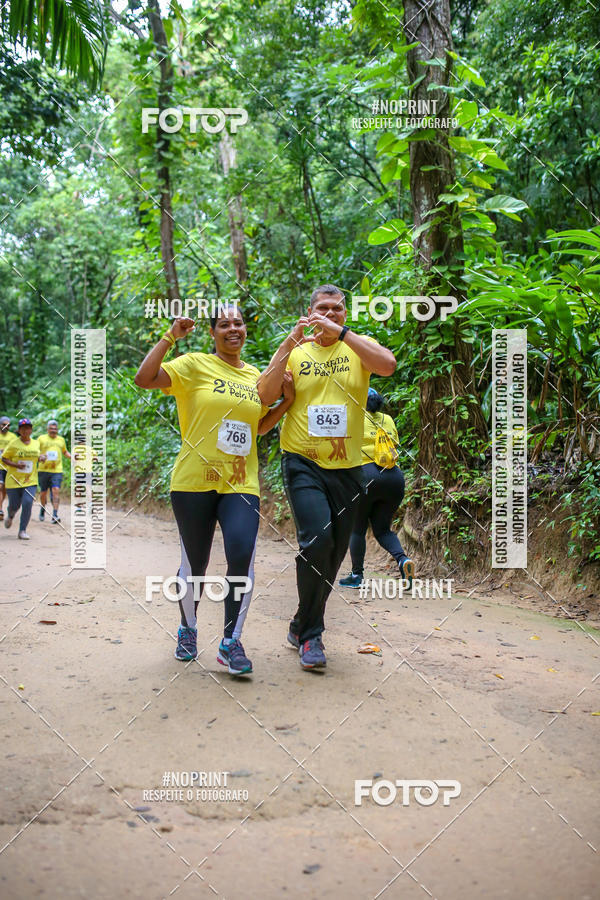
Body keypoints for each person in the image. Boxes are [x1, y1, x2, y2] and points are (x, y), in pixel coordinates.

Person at [134, 307, 294, 675]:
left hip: (240, 482)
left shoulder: (256, 375)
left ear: (245, 331)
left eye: (238, 323)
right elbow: (144, 378)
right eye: (224, 324)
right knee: (196, 564)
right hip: (193, 481)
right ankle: (188, 629)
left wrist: (285, 401)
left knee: (241, 553)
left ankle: (230, 642)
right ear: (213, 333)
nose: (233, 329)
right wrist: (170, 336)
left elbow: (257, 429)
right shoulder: (194, 365)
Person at [257, 284, 396, 670]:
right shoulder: (297, 351)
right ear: (309, 310)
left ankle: (301, 622)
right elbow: (265, 395)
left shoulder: (357, 347)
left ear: (345, 315)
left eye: (337, 309)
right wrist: (287, 343)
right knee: (316, 540)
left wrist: (345, 336)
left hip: (350, 467)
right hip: (302, 460)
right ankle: (312, 635)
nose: (330, 314)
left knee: (334, 553)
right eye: (323, 308)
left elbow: (388, 366)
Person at [339, 388, 414, 589]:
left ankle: (357, 575)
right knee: (382, 530)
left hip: (366, 476)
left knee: (358, 528)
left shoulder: (353, 417)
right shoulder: (388, 419)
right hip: (394, 478)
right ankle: (403, 560)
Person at [2, 418, 47, 540]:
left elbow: (36, 456)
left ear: (31, 430)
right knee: (14, 505)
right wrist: (17, 465)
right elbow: (4, 458)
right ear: (19, 430)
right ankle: (10, 515)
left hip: (30, 480)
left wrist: (41, 457)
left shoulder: (36, 443)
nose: (26, 430)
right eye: (23, 428)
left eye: (28, 428)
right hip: (14, 480)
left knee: (27, 503)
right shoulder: (13, 444)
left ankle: (22, 531)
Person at [38, 419, 71, 523]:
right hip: (43, 470)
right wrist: (40, 456)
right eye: (51, 429)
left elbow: (64, 451)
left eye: (55, 429)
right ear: (47, 429)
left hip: (57, 470)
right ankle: (42, 509)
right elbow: (35, 452)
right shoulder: (41, 439)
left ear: (57, 430)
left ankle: (55, 514)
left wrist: (72, 457)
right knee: (43, 493)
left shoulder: (61, 440)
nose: (53, 430)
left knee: (56, 490)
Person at [0, 416, 17, 521]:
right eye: (3, 424)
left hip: (9, 466)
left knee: (5, 488)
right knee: (0, 485)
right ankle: (0, 509)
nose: (6, 427)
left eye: (8, 425)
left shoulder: (13, 437)